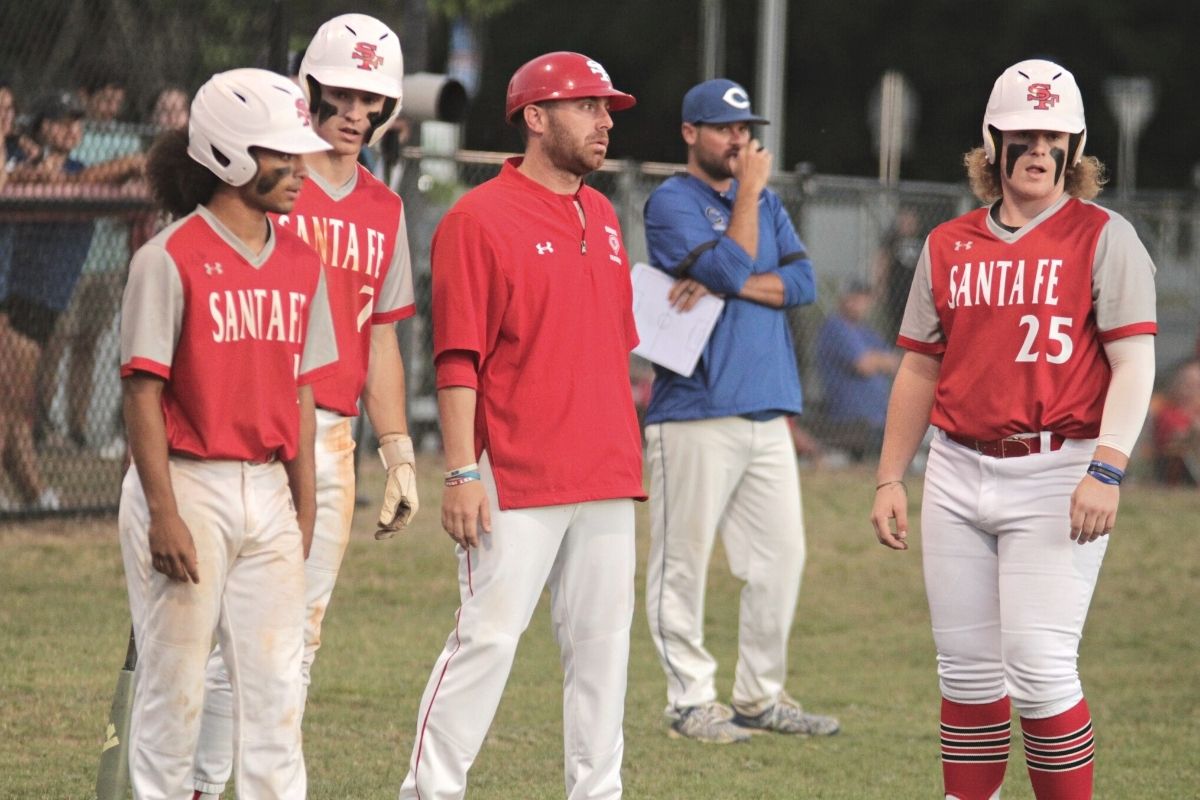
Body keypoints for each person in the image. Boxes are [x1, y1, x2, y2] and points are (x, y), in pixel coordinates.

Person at [870, 59, 1157, 800]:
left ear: (1076, 147)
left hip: (1059, 468)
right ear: (992, 144)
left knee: (1038, 666)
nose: (1038, 150)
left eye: (1054, 137)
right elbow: (917, 372)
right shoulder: (947, 243)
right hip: (956, 470)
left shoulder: (1104, 236)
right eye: (1023, 135)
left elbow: (1134, 362)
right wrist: (888, 476)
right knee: (965, 674)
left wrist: (1108, 467)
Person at [397, 51, 644, 800]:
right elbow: (457, 360)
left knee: (603, 655)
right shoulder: (478, 218)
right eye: (587, 106)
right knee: (488, 642)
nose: (604, 121)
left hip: (604, 469)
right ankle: (429, 792)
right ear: (535, 118)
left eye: (608, 109)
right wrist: (463, 471)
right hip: (514, 470)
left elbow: (610, 348)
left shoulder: (601, 214)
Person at [189, 15, 419, 800]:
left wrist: (398, 452)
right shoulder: (265, 180)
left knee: (301, 634)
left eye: (373, 101)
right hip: (247, 422)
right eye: (343, 95)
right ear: (310, 89)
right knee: (224, 638)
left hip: (329, 437)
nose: (356, 114)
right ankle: (198, 783)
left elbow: (381, 338)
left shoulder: (385, 210)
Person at [117, 67, 336, 799]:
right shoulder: (168, 257)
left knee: (277, 695)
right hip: (186, 481)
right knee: (173, 689)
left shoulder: (304, 262)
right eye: (281, 152)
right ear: (229, 154)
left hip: (267, 488)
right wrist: (163, 511)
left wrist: (303, 506)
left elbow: (301, 393)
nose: (299, 169)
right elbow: (143, 391)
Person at [641, 78, 837, 744]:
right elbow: (727, 269)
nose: (740, 140)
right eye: (724, 128)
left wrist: (733, 277)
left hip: (766, 406)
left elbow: (803, 283)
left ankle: (759, 697)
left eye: (745, 128)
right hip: (694, 408)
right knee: (682, 564)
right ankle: (690, 702)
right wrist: (746, 212)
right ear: (690, 134)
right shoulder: (673, 200)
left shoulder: (768, 202)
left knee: (782, 559)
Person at [36, 70, 145, 455]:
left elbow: (129, 198)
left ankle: (77, 429)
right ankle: (43, 425)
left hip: (107, 260)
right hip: (63, 264)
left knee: (86, 344)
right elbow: (70, 183)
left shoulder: (125, 137)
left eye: (118, 98)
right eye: (105, 97)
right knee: (53, 343)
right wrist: (123, 170)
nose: (112, 106)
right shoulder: (52, 149)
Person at [0, 89, 94, 510]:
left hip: (48, 299)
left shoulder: (79, 168)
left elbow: (86, 180)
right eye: (59, 120)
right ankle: (35, 494)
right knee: (13, 404)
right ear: (41, 127)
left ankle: (29, 491)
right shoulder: (20, 162)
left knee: (17, 404)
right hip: (19, 295)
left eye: (76, 120)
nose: (71, 128)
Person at [815, 278, 899, 460]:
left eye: (864, 298)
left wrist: (875, 359)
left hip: (877, 419)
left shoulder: (866, 331)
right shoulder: (835, 326)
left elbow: (894, 364)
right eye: (855, 297)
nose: (860, 303)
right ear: (843, 299)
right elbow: (864, 365)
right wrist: (878, 360)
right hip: (851, 419)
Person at [873, 205, 925, 341]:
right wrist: (880, 286)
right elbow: (883, 261)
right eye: (904, 220)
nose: (907, 224)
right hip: (896, 289)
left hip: (916, 288)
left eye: (910, 221)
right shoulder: (892, 238)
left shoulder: (924, 238)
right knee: (897, 324)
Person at [1151, 360, 1200, 486]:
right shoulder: (1168, 412)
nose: (1189, 390)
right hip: (1174, 465)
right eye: (1186, 384)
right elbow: (1174, 437)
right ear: (1176, 386)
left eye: (1195, 386)